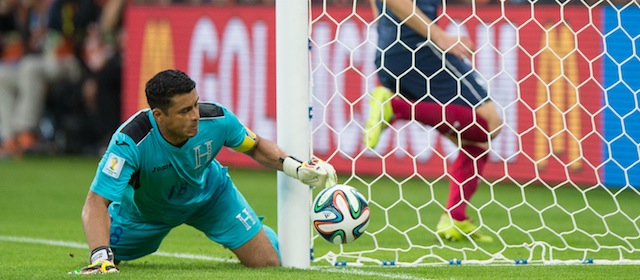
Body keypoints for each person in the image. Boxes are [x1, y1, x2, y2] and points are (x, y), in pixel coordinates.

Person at [70, 69, 338, 274]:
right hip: (146, 215)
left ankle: (254, 231)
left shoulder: (217, 120)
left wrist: (295, 167)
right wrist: (100, 255)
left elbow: (255, 146)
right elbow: (96, 202)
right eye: (185, 111)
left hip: (211, 199)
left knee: (268, 262)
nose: (195, 115)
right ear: (159, 115)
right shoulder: (130, 141)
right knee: (107, 257)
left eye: (195, 104)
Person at [364, 0, 503, 242]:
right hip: (418, 49)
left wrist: (388, 32)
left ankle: (455, 217)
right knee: (490, 123)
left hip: (389, 53)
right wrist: (439, 36)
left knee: (474, 142)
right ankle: (395, 107)